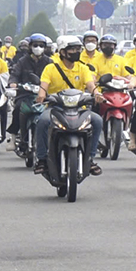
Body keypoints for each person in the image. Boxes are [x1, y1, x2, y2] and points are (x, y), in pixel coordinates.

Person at [33, 35, 103, 176]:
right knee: (42, 121)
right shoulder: (51, 68)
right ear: (63, 52)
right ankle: (41, 159)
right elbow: (44, 85)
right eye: (72, 49)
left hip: (79, 109)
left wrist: (97, 94)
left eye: (78, 49)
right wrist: (41, 94)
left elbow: (90, 85)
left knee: (97, 120)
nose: (76, 52)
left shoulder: (83, 68)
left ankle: (90, 158)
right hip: (56, 108)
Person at [9, 34, 52, 136]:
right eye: (35, 45)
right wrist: (13, 83)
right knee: (18, 108)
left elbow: (55, 75)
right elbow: (15, 74)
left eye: (41, 46)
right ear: (30, 47)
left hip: (44, 94)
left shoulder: (49, 62)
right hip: (25, 94)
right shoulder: (22, 61)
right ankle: (14, 136)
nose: (38, 48)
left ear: (45, 48)